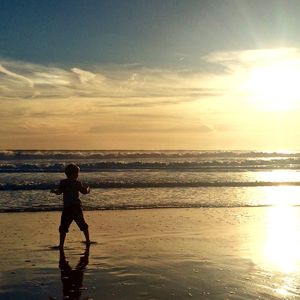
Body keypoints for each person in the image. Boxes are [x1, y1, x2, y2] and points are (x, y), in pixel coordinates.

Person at [51, 163, 90, 248]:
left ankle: (61, 244)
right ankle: (87, 240)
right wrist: (88, 189)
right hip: (76, 207)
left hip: (67, 208)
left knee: (63, 226)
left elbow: (59, 192)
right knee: (82, 224)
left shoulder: (63, 182)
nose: (77, 175)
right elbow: (84, 192)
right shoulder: (77, 183)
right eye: (77, 174)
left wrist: (54, 191)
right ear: (75, 174)